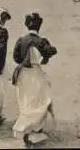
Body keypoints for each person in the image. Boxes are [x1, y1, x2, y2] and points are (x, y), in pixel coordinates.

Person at [12, 12, 57, 147]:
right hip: (35, 74)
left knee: (26, 101)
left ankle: (26, 128)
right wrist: (52, 49)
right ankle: (35, 128)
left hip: (22, 74)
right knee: (41, 100)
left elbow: (16, 58)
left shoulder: (21, 40)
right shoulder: (41, 41)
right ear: (39, 27)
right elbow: (50, 52)